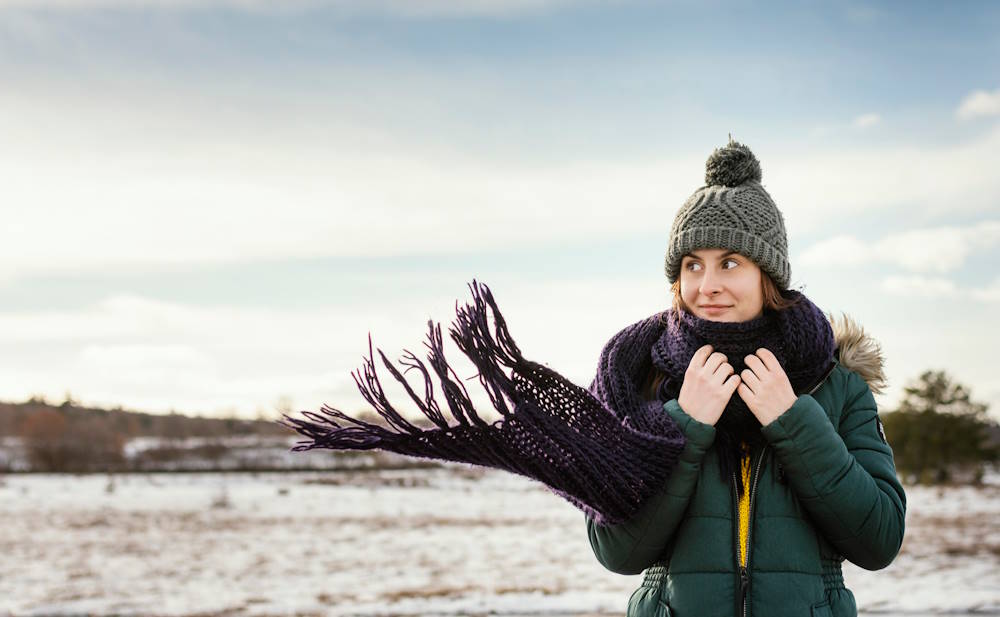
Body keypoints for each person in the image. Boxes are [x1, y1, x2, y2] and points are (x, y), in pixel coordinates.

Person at [585, 140, 906, 617]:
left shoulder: (834, 384)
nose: (706, 284)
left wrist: (794, 420)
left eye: (729, 263)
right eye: (693, 265)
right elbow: (617, 552)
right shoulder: (644, 383)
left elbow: (879, 540)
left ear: (767, 275)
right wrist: (685, 425)